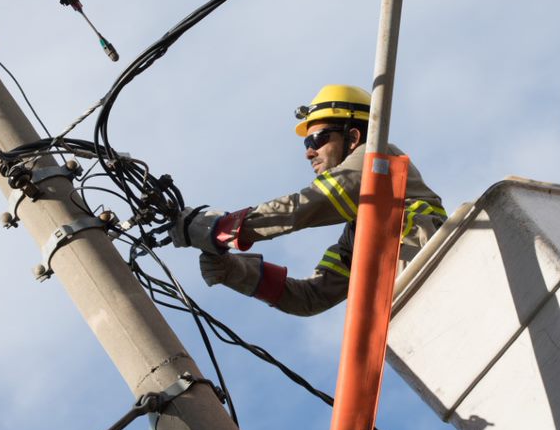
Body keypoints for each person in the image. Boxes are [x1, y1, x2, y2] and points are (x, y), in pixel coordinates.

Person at [172, 85, 446, 315]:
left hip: (439, 272)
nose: (309, 153)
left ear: (353, 137)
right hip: (419, 312)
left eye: (317, 139)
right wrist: (234, 271)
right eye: (307, 145)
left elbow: (309, 204)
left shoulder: (377, 158)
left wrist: (221, 229)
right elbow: (311, 297)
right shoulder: (360, 235)